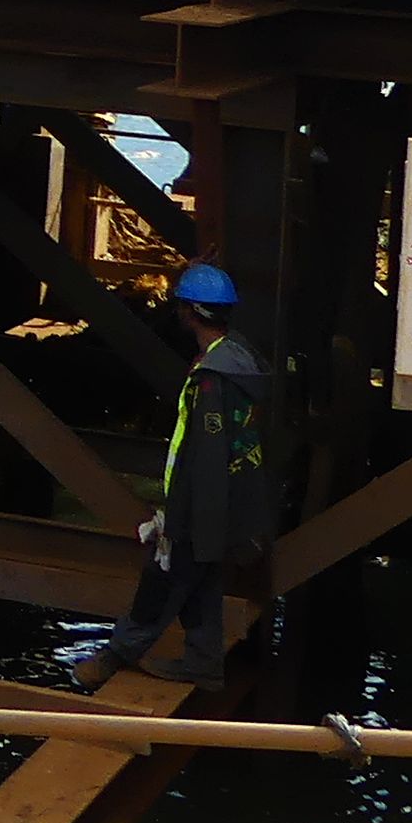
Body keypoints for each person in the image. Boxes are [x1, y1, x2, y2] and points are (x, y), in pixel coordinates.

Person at [71, 261, 267, 690]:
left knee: (162, 580)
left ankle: (114, 656)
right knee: (202, 584)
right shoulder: (237, 358)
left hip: (204, 508)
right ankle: (203, 662)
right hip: (227, 505)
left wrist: (179, 520)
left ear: (190, 312)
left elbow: (207, 458)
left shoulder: (212, 380)